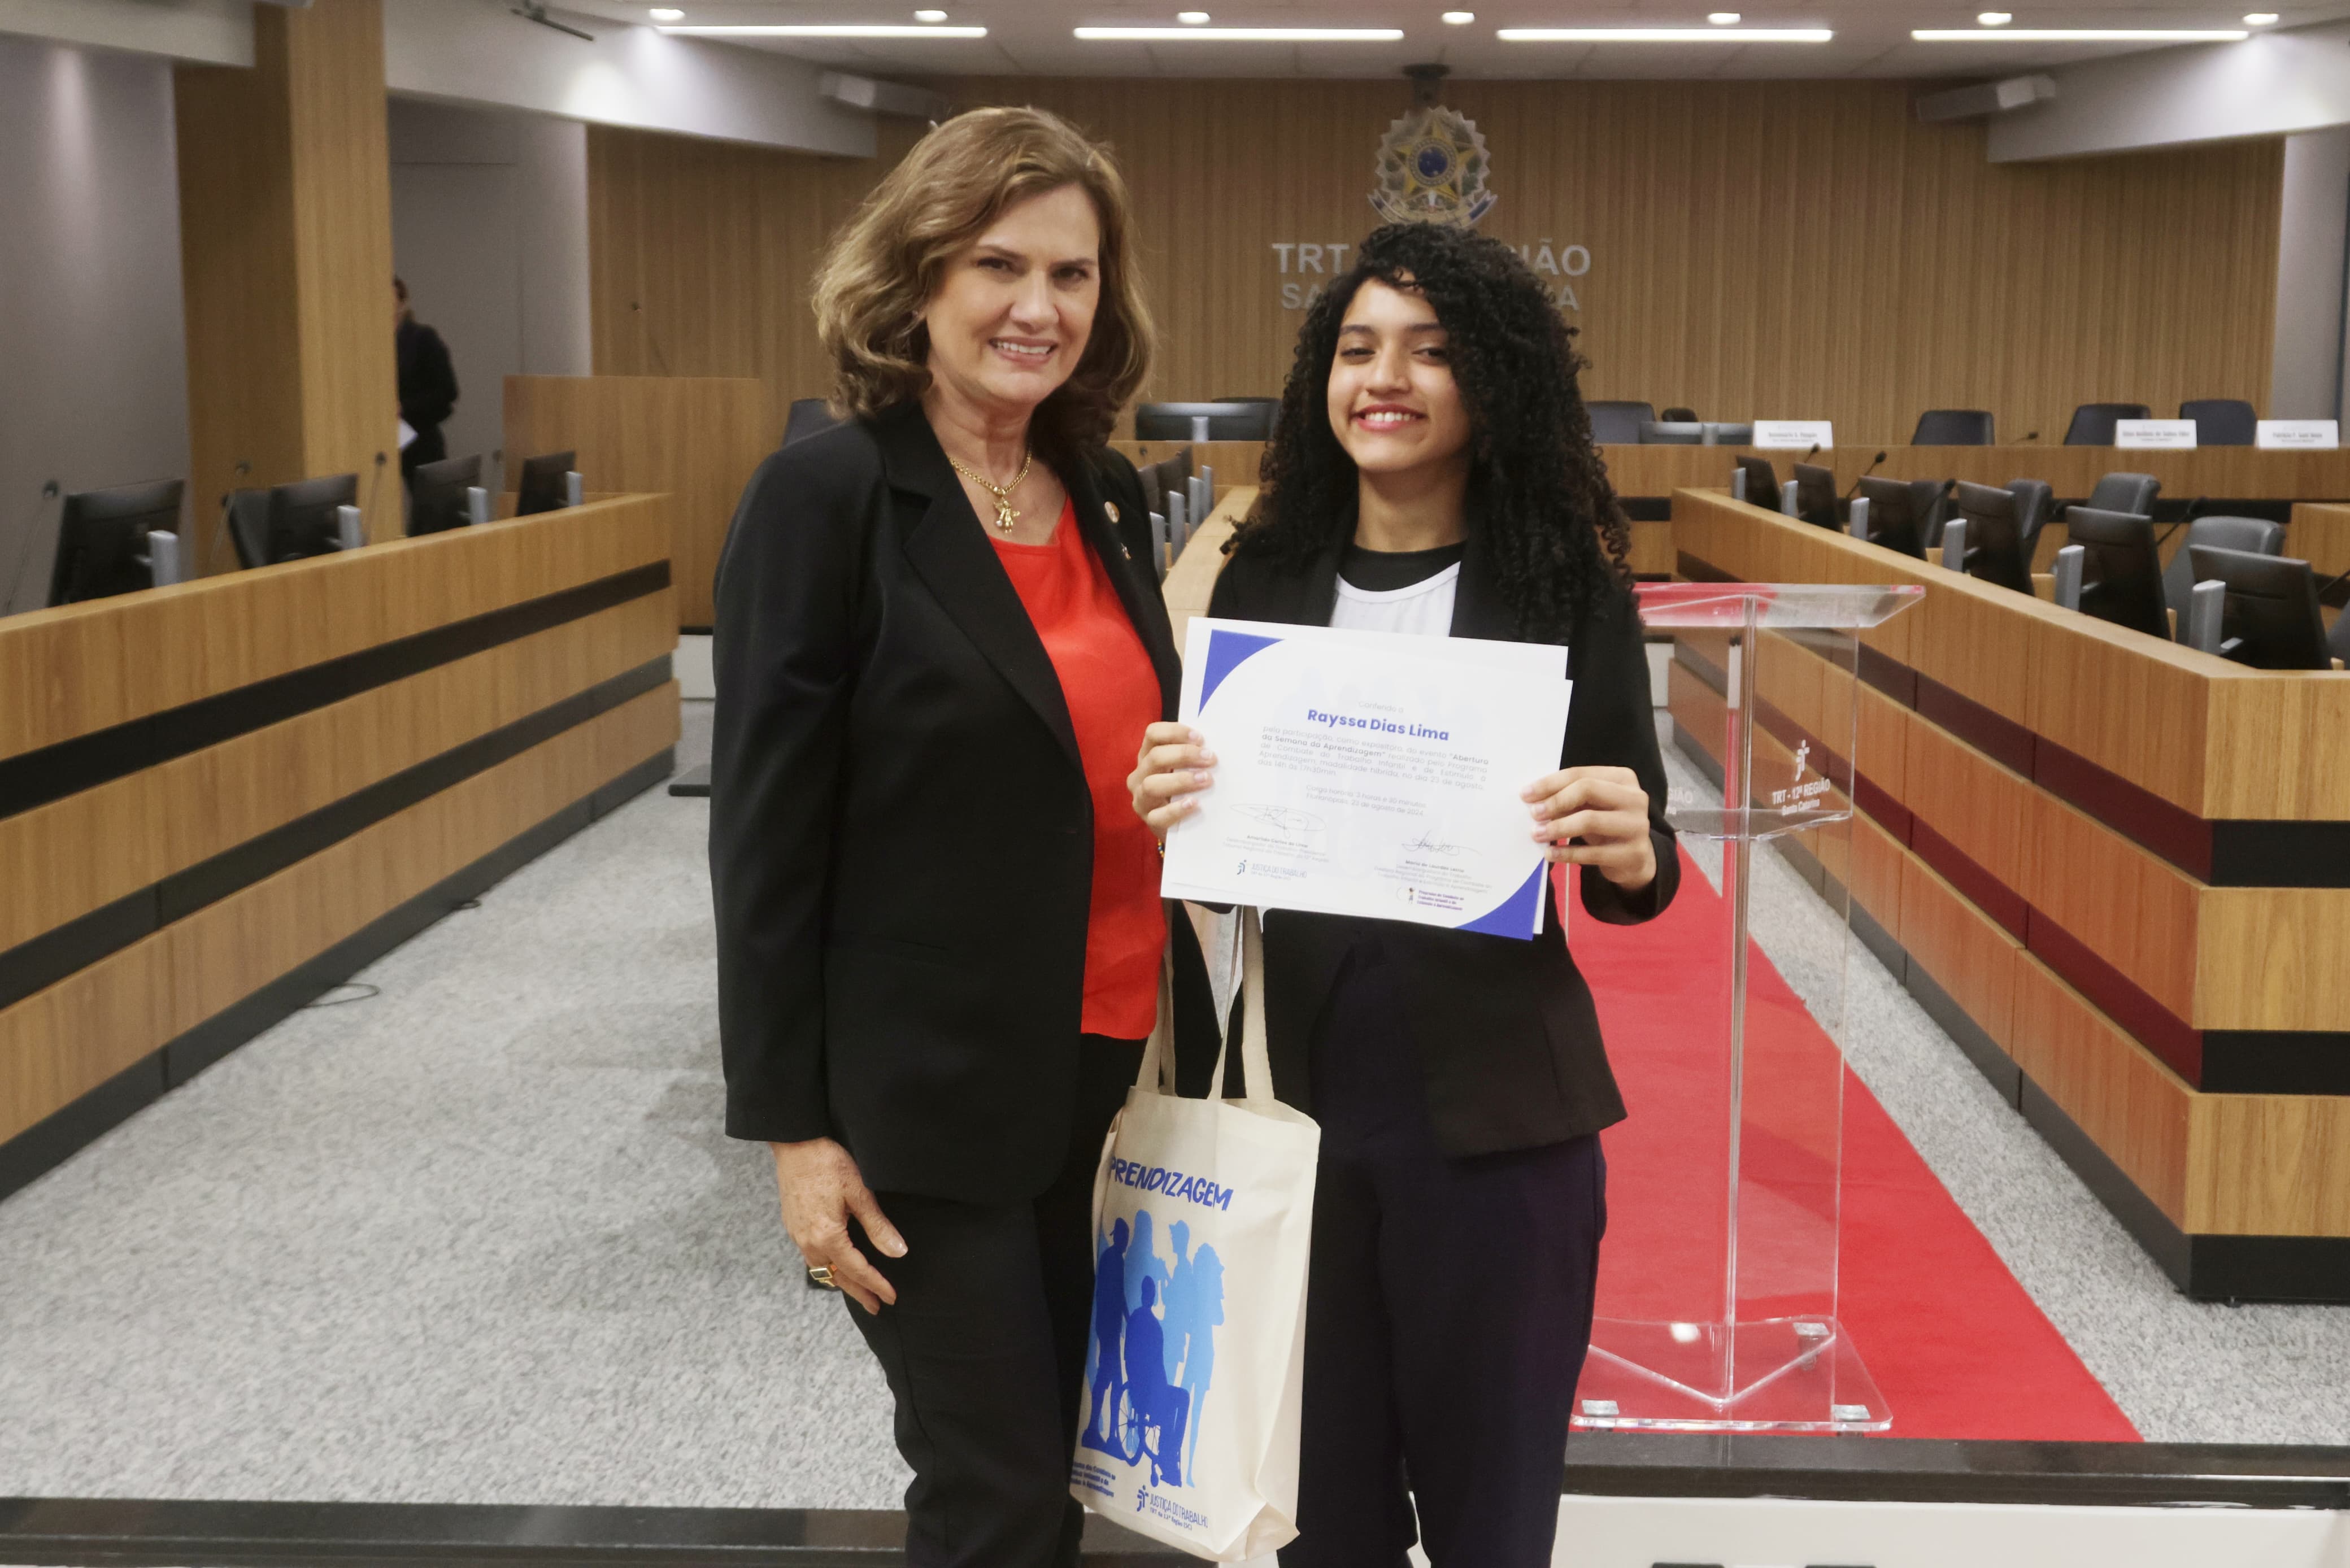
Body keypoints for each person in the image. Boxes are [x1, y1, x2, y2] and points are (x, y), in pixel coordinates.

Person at [1126, 221, 1681, 1567]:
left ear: (1493, 384)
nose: (1388, 376)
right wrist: (1168, 789)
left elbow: (1634, 865)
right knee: (1322, 1523)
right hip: (1288, 1107)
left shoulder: (1568, 590)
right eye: (1358, 347)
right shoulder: (1256, 576)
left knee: (1494, 1525)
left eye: (1433, 352)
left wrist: (1631, 842)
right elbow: (1191, 844)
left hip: (1496, 1117)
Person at [708, 107, 1216, 1568]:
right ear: (916, 281)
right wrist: (794, 1134)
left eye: (1074, 275)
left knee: (1061, 1461)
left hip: (1107, 1063)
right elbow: (763, 842)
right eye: (999, 266)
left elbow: (1086, 745)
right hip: (921, 1101)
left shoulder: (1106, 492)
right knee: (991, 1486)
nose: (1039, 308)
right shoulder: (828, 499)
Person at [393, 277, 458, 481]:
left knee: (431, 502)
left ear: (402, 304)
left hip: (420, 436)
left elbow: (448, 391)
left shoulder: (422, 339)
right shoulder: (366, 344)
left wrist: (403, 407)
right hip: (379, 439)